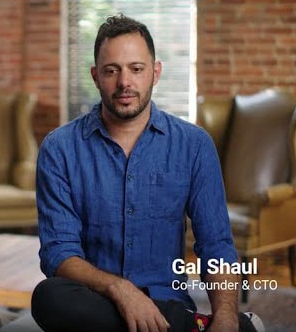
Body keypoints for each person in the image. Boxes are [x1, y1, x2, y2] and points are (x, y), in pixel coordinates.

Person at [31, 14, 264, 332]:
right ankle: (189, 327)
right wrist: (120, 290)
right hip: (95, 302)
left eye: (136, 69)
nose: (124, 82)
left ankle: (186, 321)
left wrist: (224, 318)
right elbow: (58, 253)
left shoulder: (193, 145)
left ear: (155, 73)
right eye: (111, 70)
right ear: (96, 76)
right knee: (48, 297)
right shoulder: (59, 148)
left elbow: (216, 245)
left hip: (164, 299)